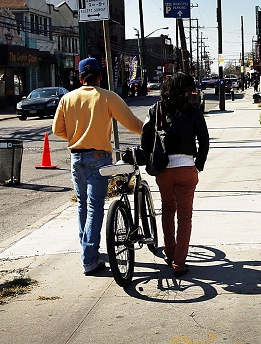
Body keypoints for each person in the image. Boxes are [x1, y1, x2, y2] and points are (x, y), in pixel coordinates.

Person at [52, 57, 144, 275]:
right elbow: (132, 123)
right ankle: (89, 259)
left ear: (80, 77)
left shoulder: (67, 98)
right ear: (100, 76)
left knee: (83, 205)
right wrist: (149, 133)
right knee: (95, 207)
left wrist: (75, 137)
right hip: (99, 158)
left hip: (76, 157)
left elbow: (57, 130)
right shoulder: (107, 97)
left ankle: (87, 248)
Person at [140, 72, 209, 276]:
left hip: (164, 170)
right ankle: (179, 263)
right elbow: (204, 141)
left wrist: (152, 160)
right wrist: (198, 165)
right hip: (187, 168)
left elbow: (145, 140)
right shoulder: (194, 111)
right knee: (185, 216)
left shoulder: (156, 110)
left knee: (168, 209)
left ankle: (169, 253)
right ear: (188, 91)